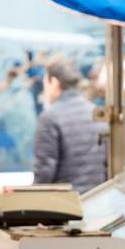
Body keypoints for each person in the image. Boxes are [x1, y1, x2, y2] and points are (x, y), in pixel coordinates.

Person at [33, 57, 106, 192]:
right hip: (98, 200)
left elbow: (44, 171)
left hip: (66, 206)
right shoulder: (97, 113)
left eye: (45, 82)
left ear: (53, 82)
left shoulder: (49, 118)